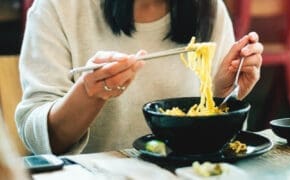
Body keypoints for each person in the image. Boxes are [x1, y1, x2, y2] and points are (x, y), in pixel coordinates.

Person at [16, 0, 263, 155]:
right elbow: (40, 139)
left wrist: (222, 97)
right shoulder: (57, 8)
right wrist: (88, 95)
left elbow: (222, 148)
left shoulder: (209, 8)